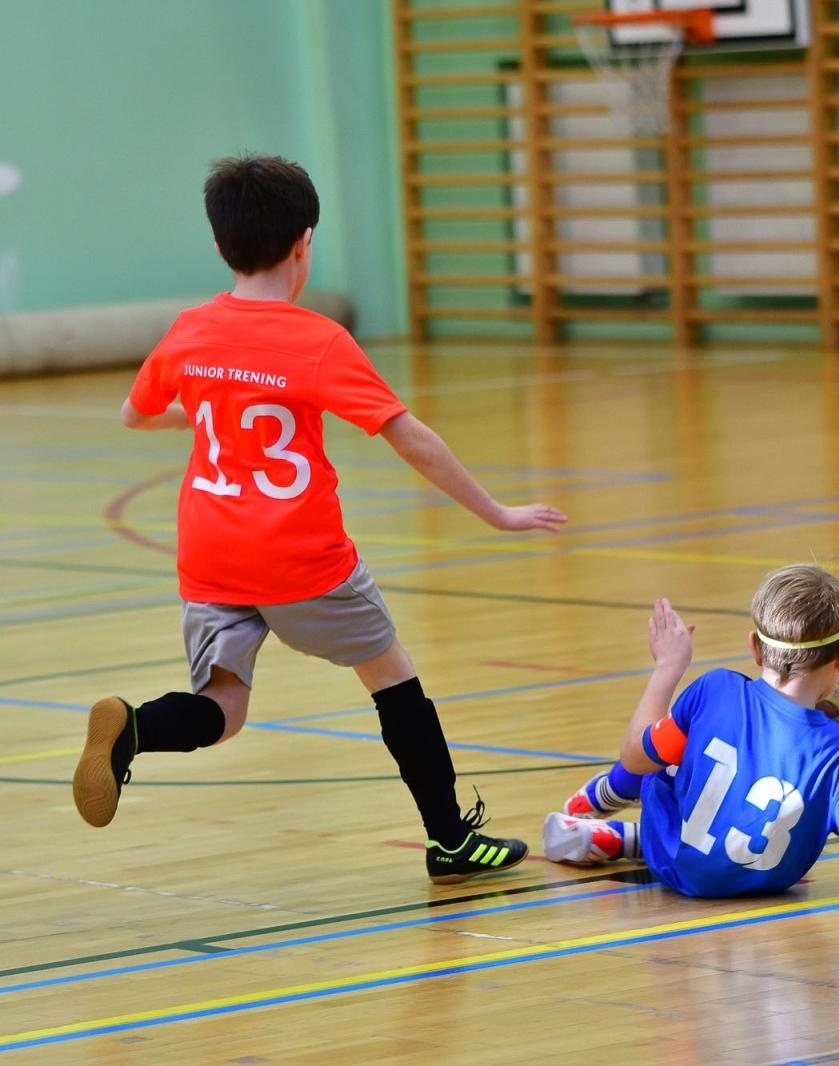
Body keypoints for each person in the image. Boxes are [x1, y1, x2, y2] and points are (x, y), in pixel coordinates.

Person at [73, 154, 567, 883]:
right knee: (392, 677)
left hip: (210, 552)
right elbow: (412, 439)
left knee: (225, 706)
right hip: (298, 556)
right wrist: (496, 511)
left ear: (220, 247)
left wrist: (214, 416)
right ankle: (449, 842)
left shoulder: (191, 330)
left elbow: (134, 415)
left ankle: (135, 728)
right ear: (306, 243)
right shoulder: (317, 341)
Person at [542, 567, 839, 896]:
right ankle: (618, 838)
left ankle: (604, 803)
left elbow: (636, 756)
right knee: (818, 803)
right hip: (766, 883)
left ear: (754, 647)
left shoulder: (715, 690)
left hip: (673, 865)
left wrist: (667, 667)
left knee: (664, 755)